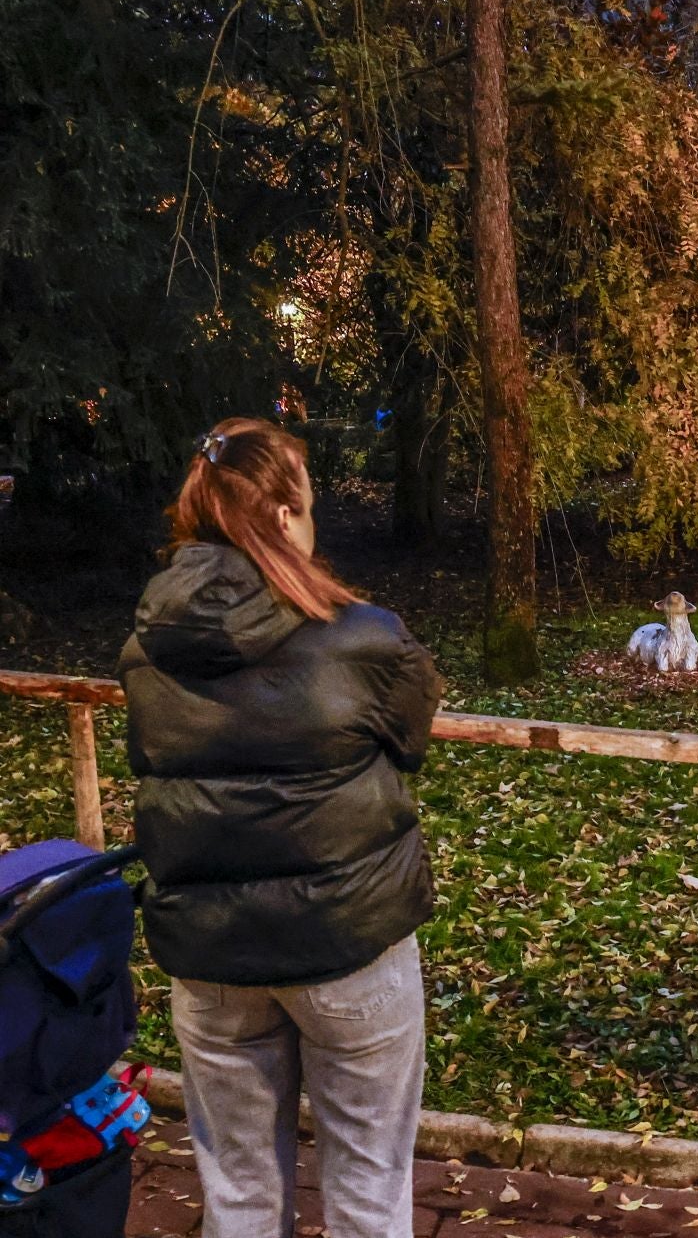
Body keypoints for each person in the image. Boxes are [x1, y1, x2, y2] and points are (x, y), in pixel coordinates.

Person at [117, 418, 441, 1238]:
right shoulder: (363, 637)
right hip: (348, 941)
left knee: (238, 1193)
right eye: (309, 496)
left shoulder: (145, 649)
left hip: (212, 952)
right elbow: (410, 736)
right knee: (369, 1189)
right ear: (286, 515)